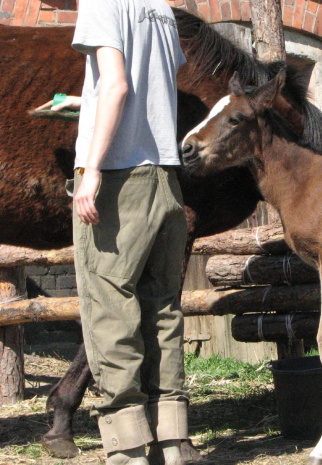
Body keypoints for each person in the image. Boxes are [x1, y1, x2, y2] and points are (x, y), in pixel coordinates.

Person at [39, 1, 189, 464]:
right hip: (165, 175)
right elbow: (152, 90)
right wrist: (85, 103)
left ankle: (127, 450)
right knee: (163, 311)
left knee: (110, 311)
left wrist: (93, 169)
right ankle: (173, 442)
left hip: (121, 178)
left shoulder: (104, 3)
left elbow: (120, 86)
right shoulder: (161, 10)